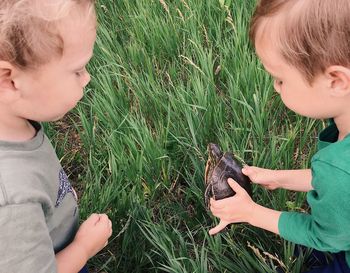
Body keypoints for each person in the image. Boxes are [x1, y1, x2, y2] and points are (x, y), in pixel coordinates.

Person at [209, 0, 350, 272]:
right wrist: (279, 176)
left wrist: (251, 213)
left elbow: (326, 236)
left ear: (336, 81)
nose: (275, 87)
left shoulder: (339, 169)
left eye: (280, 79)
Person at [0, 1, 112, 272]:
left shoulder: (16, 120)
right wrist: (83, 248)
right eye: (77, 70)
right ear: (10, 81)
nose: (86, 78)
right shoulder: (13, 202)